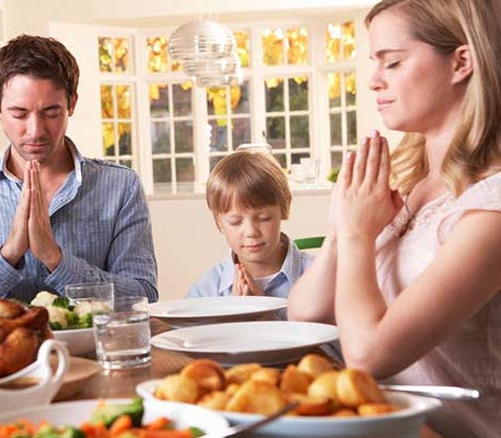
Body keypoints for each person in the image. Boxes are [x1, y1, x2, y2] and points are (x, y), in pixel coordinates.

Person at [287, 0, 501, 435]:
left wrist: (356, 235)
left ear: (462, 62)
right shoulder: (410, 180)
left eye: (394, 62)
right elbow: (307, 314)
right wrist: (343, 228)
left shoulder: (490, 209)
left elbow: (367, 356)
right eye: (374, 63)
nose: (373, 81)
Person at [0, 35, 158, 318]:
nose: (35, 130)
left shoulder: (120, 186)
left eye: (50, 112)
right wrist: (8, 255)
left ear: (71, 103)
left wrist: (55, 259)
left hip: (92, 354)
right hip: (0, 359)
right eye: (19, 113)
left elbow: (143, 296)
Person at [187, 151, 313, 312]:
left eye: (263, 218)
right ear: (219, 221)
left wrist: (265, 316)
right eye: (235, 221)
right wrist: (232, 316)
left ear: (284, 207)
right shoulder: (206, 289)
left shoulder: (317, 277)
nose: (251, 232)